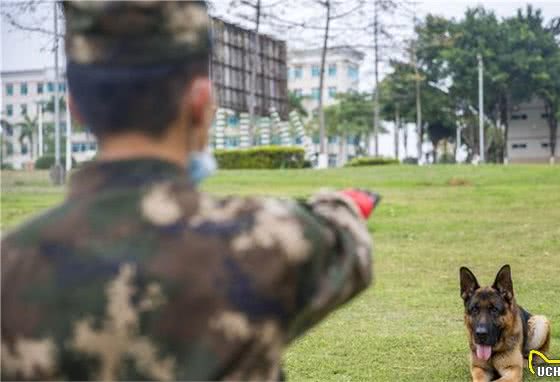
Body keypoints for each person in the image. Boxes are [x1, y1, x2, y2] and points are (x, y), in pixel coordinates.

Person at [0, 1, 379, 380]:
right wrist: (345, 202)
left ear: (75, 107)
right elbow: (349, 240)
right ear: (201, 104)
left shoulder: (10, 268)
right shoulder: (270, 241)